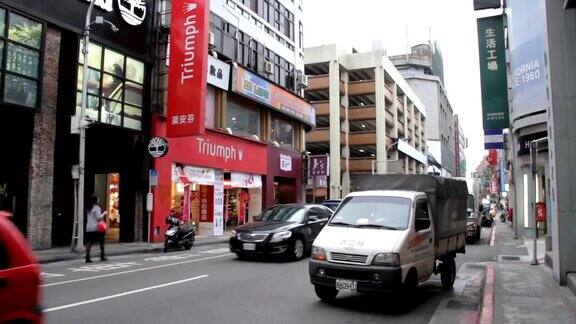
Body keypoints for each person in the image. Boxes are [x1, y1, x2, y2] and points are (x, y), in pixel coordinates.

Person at [85, 194, 108, 263]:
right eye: (98, 199)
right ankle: (102, 256)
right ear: (96, 200)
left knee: (89, 243)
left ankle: (87, 257)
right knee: (101, 241)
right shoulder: (97, 208)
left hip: (89, 227)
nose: (99, 200)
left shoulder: (88, 208)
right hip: (96, 228)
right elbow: (99, 218)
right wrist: (104, 213)